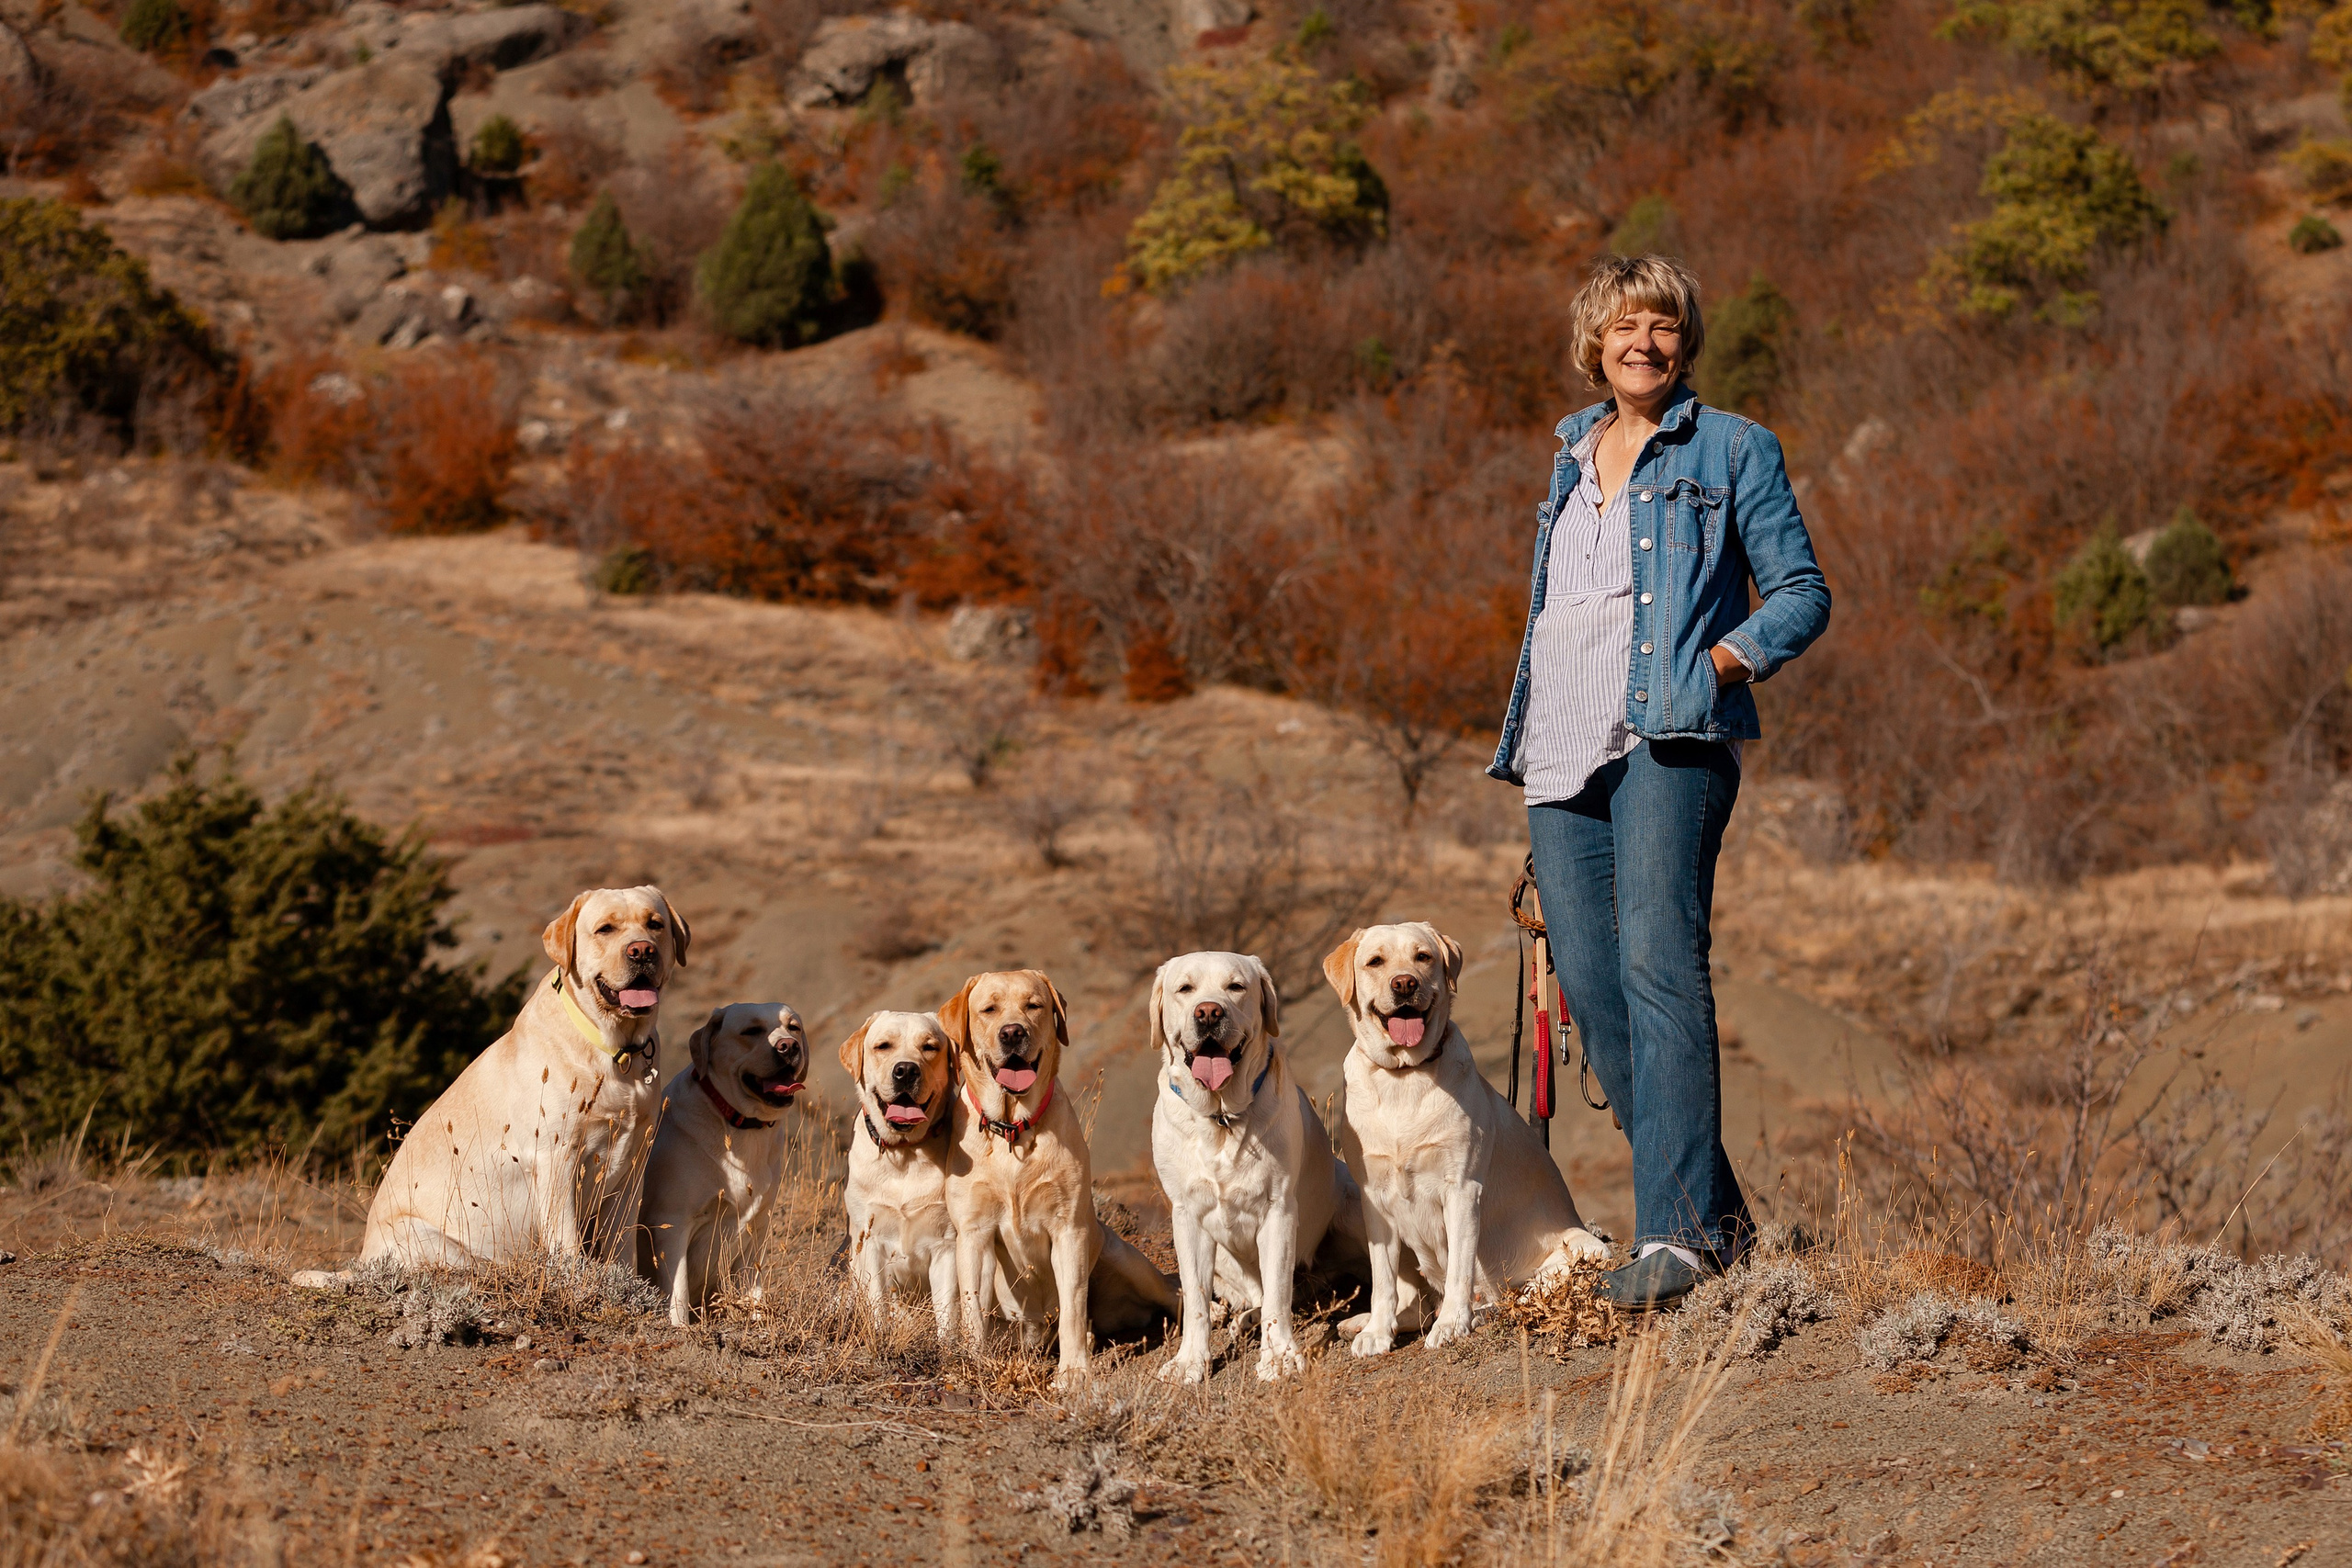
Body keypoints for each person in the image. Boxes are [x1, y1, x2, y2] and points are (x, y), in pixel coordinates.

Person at [1487, 253, 1831, 1311]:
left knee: (1660, 971)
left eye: (1665, 326)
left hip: (1667, 739)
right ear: (1595, 339)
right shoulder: (1567, 460)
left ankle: (1673, 1240)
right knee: (1592, 991)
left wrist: (1717, 663)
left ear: (1686, 342)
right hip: (1559, 750)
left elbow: (1801, 593)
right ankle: (1720, 1226)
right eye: (1626, 326)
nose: (1646, 343)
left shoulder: (1733, 447)